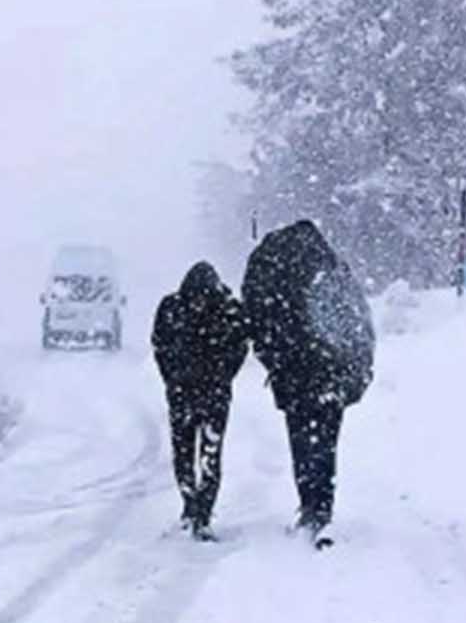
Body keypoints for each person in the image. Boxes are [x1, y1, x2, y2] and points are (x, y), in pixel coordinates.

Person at [241, 219, 375, 543]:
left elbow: (256, 321)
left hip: (295, 377)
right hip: (332, 376)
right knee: (327, 442)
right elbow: (358, 322)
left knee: (302, 442)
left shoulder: (274, 273)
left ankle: (308, 504)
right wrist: (356, 371)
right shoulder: (331, 269)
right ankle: (323, 507)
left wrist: (274, 361)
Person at [151, 261, 248, 540]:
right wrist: (172, 378)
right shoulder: (172, 309)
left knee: (209, 455)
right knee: (184, 454)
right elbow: (160, 346)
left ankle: (203, 513)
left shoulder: (228, 311)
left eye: (203, 298)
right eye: (194, 298)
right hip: (184, 393)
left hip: (211, 395)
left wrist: (222, 376)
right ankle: (189, 505)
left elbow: (240, 348)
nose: (198, 304)